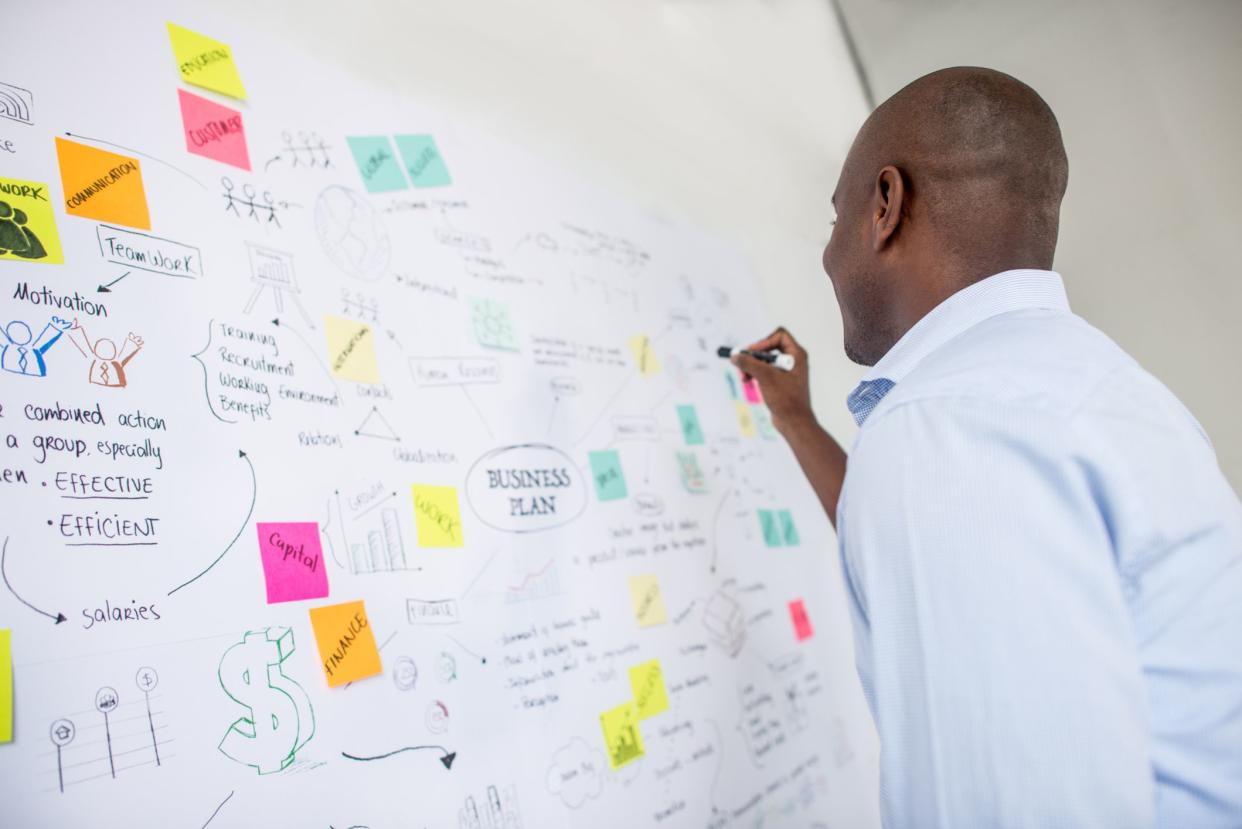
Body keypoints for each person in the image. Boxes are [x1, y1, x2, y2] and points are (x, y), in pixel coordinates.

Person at [735, 67, 1242, 827]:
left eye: (833, 220)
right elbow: (940, 558)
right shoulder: (1074, 387)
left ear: (885, 205)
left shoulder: (946, 426)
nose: (825, 257)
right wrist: (801, 424)